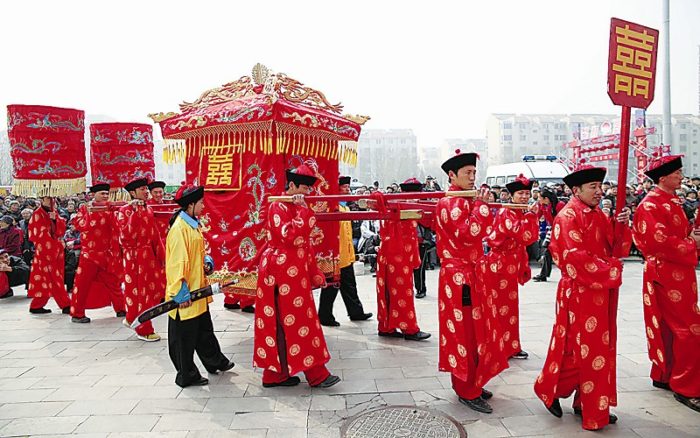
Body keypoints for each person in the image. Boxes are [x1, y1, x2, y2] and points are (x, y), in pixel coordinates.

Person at [534, 166, 631, 431]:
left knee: (598, 348)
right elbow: (575, 259)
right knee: (577, 350)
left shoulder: (598, 214)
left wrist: (620, 223)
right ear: (576, 190)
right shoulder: (567, 217)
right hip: (578, 292)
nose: (600, 192)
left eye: (600, 187)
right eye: (593, 188)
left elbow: (614, 247)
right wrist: (611, 270)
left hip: (599, 290)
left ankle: (590, 403)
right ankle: (552, 390)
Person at [253, 164, 340, 389]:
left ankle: (275, 375)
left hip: (292, 273)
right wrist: (303, 212)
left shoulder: (293, 205)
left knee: (285, 323)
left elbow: (305, 243)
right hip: (280, 273)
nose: (307, 194)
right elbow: (289, 236)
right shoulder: (278, 206)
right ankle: (316, 373)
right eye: (303, 188)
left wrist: (314, 272)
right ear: (291, 185)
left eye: (309, 190)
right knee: (299, 321)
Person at [435, 150, 507, 414]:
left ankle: (474, 381)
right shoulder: (449, 204)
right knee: (463, 333)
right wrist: (482, 206)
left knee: (479, 329)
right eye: (468, 172)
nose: (473, 177)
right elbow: (469, 232)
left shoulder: (465, 201)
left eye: (475, 172)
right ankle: (466, 389)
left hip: (473, 274)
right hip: (459, 279)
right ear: (452, 175)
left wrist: (477, 205)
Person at [631, 155, 700, 413]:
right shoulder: (650, 205)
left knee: (672, 328)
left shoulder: (670, 200)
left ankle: (665, 374)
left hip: (679, 273)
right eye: (678, 173)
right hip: (666, 273)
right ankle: (687, 387)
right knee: (688, 330)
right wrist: (692, 244)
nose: (682, 177)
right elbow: (659, 242)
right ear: (663, 178)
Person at [166, 184, 234, 388]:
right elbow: (177, 262)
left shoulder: (192, 224)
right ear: (190, 205)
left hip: (198, 289)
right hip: (186, 293)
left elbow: (197, 252)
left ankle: (215, 362)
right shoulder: (179, 229)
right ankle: (186, 375)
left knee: (204, 330)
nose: (204, 206)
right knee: (183, 338)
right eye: (201, 203)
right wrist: (180, 291)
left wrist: (207, 262)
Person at [479, 174, 539, 360]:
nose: (524, 197)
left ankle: (511, 346)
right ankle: (499, 347)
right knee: (500, 309)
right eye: (520, 193)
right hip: (500, 266)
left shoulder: (518, 212)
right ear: (512, 195)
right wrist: (531, 215)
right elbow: (525, 236)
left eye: (526, 193)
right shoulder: (507, 213)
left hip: (510, 265)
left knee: (510, 308)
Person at [375, 178, 430, 341]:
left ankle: (386, 326)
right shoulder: (400, 206)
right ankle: (409, 329)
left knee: (388, 291)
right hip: (396, 255)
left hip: (391, 254)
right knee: (403, 292)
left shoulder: (397, 204)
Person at [318, 175, 372, 327]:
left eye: (349, 188)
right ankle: (324, 315)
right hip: (334, 255)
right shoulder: (332, 208)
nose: (348, 190)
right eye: (345, 188)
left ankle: (356, 312)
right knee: (331, 287)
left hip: (347, 255)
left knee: (350, 285)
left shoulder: (345, 207)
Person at [69, 183, 126, 323]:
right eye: (102, 194)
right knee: (82, 285)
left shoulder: (111, 208)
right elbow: (81, 226)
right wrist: (90, 214)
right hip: (90, 254)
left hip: (107, 254)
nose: (105, 196)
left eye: (107, 194)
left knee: (113, 283)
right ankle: (77, 313)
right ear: (93, 195)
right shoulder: (84, 208)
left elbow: (119, 226)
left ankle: (121, 308)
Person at [117, 178, 166, 342]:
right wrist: (135, 213)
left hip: (148, 257)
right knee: (139, 293)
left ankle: (131, 317)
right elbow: (125, 235)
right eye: (143, 189)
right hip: (133, 257)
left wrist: (162, 256)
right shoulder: (124, 211)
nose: (147, 192)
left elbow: (155, 235)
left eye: (146, 189)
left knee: (152, 290)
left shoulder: (148, 209)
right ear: (133, 193)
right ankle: (143, 328)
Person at [27, 197, 71, 314]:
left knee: (50, 278)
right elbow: (38, 234)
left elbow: (61, 230)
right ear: (42, 200)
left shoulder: (54, 212)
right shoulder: (37, 214)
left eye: (53, 199)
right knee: (53, 278)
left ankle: (37, 305)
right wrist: (51, 248)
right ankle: (66, 304)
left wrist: (55, 219)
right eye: (48, 199)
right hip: (45, 251)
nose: (52, 202)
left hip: (55, 250)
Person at [532, 188, 566, 282]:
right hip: (552, 230)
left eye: (539, 197)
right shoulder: (542, 206)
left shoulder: (560, 205)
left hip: (562, 231)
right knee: (547, 251)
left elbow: (564, 220)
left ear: (546, 198)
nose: (538, 199)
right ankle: (543, 274)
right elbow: (537, 217)